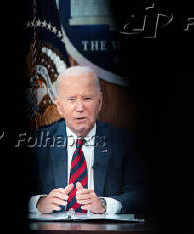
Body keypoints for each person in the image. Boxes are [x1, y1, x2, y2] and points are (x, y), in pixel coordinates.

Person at [29, 66, 147, 214]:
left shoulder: (126, 142)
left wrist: (105, 205)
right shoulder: (37, 143)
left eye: (87, 98)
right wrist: (38, 203)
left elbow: (142, 194)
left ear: (99, 101)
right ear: (59, 106)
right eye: (71, 99)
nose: (80, 107)